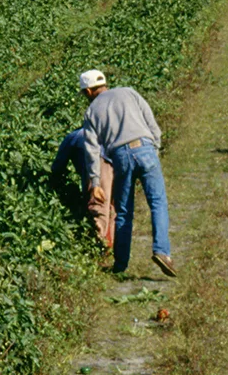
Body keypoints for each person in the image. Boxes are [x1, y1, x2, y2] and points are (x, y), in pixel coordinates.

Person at [79, 70, 175, 277]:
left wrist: (95, 182)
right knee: (157, 203)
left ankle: (121, 264)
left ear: (88, 91)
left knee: (123, 212)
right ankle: (162, 252)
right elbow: (152, 124)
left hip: (120, 157)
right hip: (145, 148)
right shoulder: (129, 93)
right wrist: (153, 150)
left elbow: (92, 151)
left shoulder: (91, 112)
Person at [52, 127, 116, 248]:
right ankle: (112, 249)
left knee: (98, 207)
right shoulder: (106, 133)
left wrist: (58, 185)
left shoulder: (73, 137)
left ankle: (98, 249)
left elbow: (57, 168)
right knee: (112, 208)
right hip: (115, 163)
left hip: (97, 166)